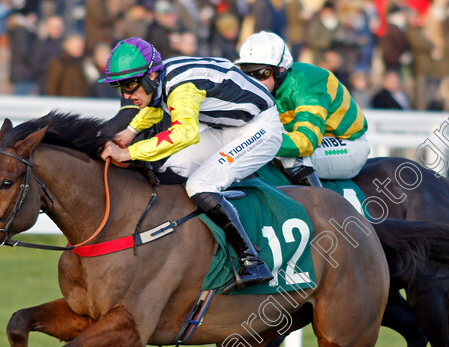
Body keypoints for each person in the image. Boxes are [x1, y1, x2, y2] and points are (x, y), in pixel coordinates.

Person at [98, 38, 281, 291]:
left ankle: (252, 259)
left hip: (261, 127)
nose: (127, 95)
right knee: (169, 171)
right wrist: (130, 131)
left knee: (200, 184)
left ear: (151, 75)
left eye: (130, 84)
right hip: (227, 127)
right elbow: (157, 105)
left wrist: (130, 153)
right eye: (119, 87)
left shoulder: (181, 86)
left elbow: (185, 133)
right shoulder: (162, 79)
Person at [235, 31, 369, 187]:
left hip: (347, 144)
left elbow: (306, 141)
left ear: (281, 69)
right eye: (247, 74)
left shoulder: (307, 83)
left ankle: (321, 209)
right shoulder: (260, 88)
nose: (255, 81)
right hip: (315, 141)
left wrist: (256, 143)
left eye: (262, 73)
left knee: (290, 158)